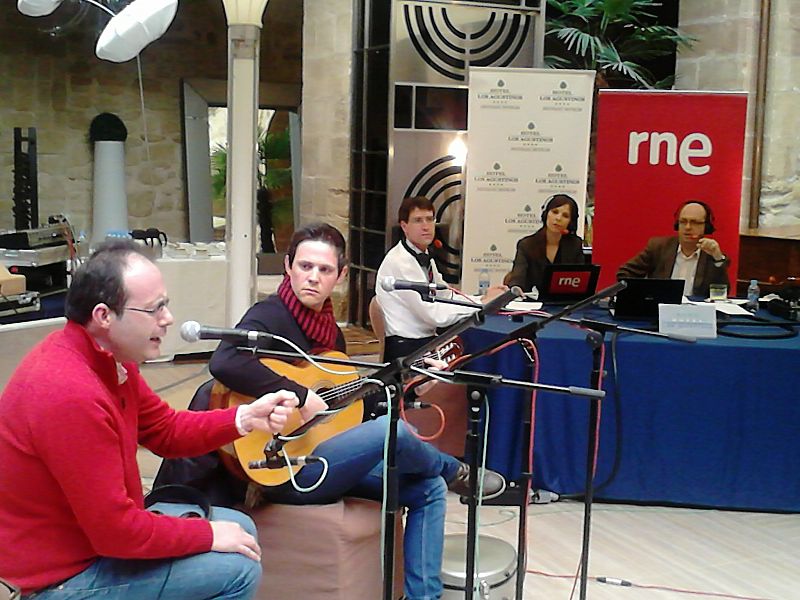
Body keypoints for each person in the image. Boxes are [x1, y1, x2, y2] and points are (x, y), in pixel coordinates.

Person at [209, 223, 505, 600]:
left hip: (323, 456)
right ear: (288, 266)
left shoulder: (331, 333)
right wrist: (300, 394)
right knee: (390, 432)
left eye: (324, 270)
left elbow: (345, 410)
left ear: (341, 275)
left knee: (426, 487)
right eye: (304, 266)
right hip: (280, 465)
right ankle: (455, 471)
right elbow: (224, 360)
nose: (312, 277)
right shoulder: (270, 316)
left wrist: (393, 392)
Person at [0, 239, 303, 599]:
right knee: (237, 569)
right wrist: (207, 536)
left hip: (93, 545)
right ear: (103, 316)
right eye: (154, 308)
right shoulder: (69, 393)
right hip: (63, 578)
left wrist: (244, 417)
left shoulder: (107, 356)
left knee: (238, 527)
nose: (168, 318)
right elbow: (116, 532)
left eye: (166, 305)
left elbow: (165, 431)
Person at [376, 196, 507, 361]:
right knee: (475, 356)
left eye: (429, 219)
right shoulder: (400, 262)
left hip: (425, 342)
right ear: (404, 226)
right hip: (407, 349)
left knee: (475, 352)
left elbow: (445, 295)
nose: (426, 227)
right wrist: (481, 304)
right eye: (418, 221)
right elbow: (435, 316)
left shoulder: (424, 255)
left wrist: (482, 297)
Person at [616, 200, 729, 297]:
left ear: (706, 227)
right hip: (660, 310)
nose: (688, 227)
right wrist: (647, 295)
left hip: (696, 314)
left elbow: (721, 293)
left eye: (694, 222)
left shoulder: (711, 254)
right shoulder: (659, 247)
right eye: (683, 222)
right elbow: (624, 274)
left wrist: (718, 259)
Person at [503, 193, 586, 293]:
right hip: (531, 303)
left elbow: (581, 281)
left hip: (563, 303)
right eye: (555, 212)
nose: (558, 218)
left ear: (570, 222)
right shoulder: (526, 245)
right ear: (546, 214)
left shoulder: (574, 245)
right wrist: (516, 289)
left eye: (565, 216)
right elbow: (518, 279)